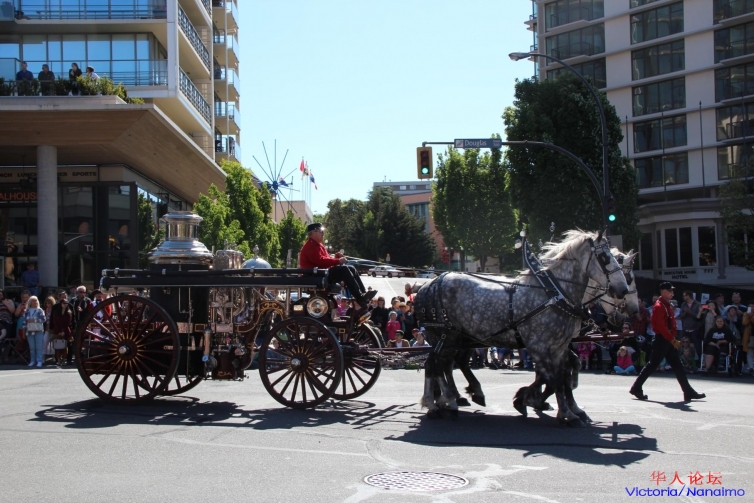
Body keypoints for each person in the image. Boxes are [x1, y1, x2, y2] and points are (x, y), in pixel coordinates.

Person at [630, 282, 705, 402]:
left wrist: (672, 338)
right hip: (663, 339)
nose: (672, 293)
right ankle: (636, 387)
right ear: (663, 291)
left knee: (676, 365)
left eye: (672, 291)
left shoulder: (665, 305)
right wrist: (672, 339)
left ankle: (688, 391)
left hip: (666, 339)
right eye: (670, 291)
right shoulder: (659, 306)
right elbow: (661, 327)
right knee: (653, 365)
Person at [298, 223, 376, 308]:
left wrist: (336, 258)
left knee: (351, 268)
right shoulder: (310, 246)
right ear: (313, 232)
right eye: (321, 231)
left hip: (322, 273)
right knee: (344, 270)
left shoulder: (318, 245)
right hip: (316, 275)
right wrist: (338, 261)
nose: (323, 234)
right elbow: (320, 262)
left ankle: (363, 293)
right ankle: (359, 297)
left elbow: (326, 259)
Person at [23, 296, 46, 368]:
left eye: (36, 300)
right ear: (30, 302)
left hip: (38, 330)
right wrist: (24, 332)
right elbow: (24, 322)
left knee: (39, 346)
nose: (35, 302)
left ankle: (39, 361)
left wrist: (34, 320)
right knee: (32, 347)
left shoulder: (40, 310)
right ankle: (32, 361)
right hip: (29, 331)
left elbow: (43, 319)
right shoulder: (27, 311)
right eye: (33, 301)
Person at [50, 296, 73, 366]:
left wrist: (63, 332)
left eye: (66, 303)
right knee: (57, 346)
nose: (65, 305)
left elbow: (68, 323)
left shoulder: (69, 312)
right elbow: (55, 322)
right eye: (64, 303)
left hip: (66, 330)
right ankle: (58, 359)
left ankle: (64, 359)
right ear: (61, 304)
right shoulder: (56, 312)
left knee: (65, 346)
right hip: (57, 330)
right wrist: (59, 331)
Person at [42, 296, 56, 362]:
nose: (48, 304)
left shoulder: (55, 310)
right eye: (47, 303)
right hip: (46, 328)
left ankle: (54, 356)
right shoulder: (44, 310)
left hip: (53, 329)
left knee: (53, 343)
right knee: (45, 341)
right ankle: (43, 356)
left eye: (49, 303)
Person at [743, 301, 754, 375]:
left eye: (753, 306)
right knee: (749, 352)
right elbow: (744, 323)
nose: (752, 308)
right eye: (750, 306)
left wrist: (752, 316)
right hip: (749, 336)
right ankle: (751, 368)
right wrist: (748, 316)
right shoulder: (745, 314)